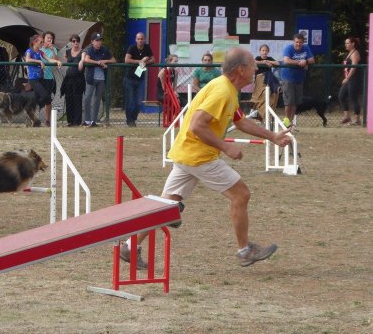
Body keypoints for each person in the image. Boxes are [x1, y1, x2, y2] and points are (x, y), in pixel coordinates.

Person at [119, 47, 292, 270]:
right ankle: (245, 250)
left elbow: (240, 121)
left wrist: (273, 136)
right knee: (241, 194)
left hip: (186, 154)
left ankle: (130, 246)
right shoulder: (221, 91)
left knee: (166, 205)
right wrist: (226, 147)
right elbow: (197, 125)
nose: (256, 68)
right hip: (199, 156)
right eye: (253, 65)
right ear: (240, 70)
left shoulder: (228, 89)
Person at [25, 35, 61, 126]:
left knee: (38, 99)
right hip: (33, 79)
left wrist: (57, 61)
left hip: (41, 78)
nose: (42, 43)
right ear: (34, 42)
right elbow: (27, 60)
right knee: (46, 96)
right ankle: (30, 108)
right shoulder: (30, 51)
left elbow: (49, 59)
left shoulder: (40, 52)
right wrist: (39, 62)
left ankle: (34, 119)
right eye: (40, 42)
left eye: (42, 42)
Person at [280, 33, 315, 127]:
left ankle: (290, 122)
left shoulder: (306, 48)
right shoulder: (289, 48)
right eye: (296, 42)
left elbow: (312, 60)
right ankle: (286, 121)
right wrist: (299, 63)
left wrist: (306, 61)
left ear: (303, 42)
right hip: (288, 77)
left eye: (300, 42)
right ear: (293, 42)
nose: (298, 44)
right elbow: (286, 60)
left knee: (296, 101)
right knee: (289, 100)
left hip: (299, 78)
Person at [83, 32, 116, 127]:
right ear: (92, 42)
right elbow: (86, 59)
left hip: (101, 79)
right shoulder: (90, 50)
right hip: (91, 78)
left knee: (97, 100)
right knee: (87, 98)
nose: (98, 42)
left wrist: (105, 61)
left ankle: (94, 121)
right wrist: (98, 63)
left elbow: (114, 60)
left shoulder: (105, 50)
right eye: (96, 40)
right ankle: (87, 120)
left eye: (100, 40)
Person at [123, 32, 154, 127]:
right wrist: (139, 61)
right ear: (136, 40)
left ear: (144, 39)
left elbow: (153, 59)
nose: (140, 40)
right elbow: (127, 60)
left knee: (138, 102)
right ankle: (130, 121)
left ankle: (133, 118)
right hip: (129, 78)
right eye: (138, 39)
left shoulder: (147, 48)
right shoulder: (132, 48)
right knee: (129, 101)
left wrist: (146, 61)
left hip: (140, 78)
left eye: (142, 39)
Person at [61, 34, 86, 127]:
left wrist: (81, 61)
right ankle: (70, 121)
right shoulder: (67, 52)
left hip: (78, 79)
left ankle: (77, 121)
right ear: (71, 42)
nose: (76, 43)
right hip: (68, 79)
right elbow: (67, 61)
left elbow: (83, 58)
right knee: (69, 99)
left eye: (77, 41)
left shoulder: (83, 51)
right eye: (74, 41)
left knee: (77, 99)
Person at [338, 37, 362, 126]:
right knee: (341, 96)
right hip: (348, 79)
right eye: (345, 43)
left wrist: (347, 78)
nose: (346, 45)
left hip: (354, 79)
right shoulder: (349, 53)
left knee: (353, 98)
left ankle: (357, 119)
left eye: (348, 43)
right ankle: (347, 116)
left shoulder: (355, 53)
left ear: (353, 44)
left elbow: (354, 67)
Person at [41, 31, 62, 126]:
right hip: (39, 77)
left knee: (47, 99)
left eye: (51, 38)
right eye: (48, 38)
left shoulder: (53, 49)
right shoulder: (39, 48)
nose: (50, 39)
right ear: (43, 39)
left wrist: (53, 50)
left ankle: (47, 120)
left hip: (49, 77)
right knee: (37, 97)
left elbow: (56, 60)